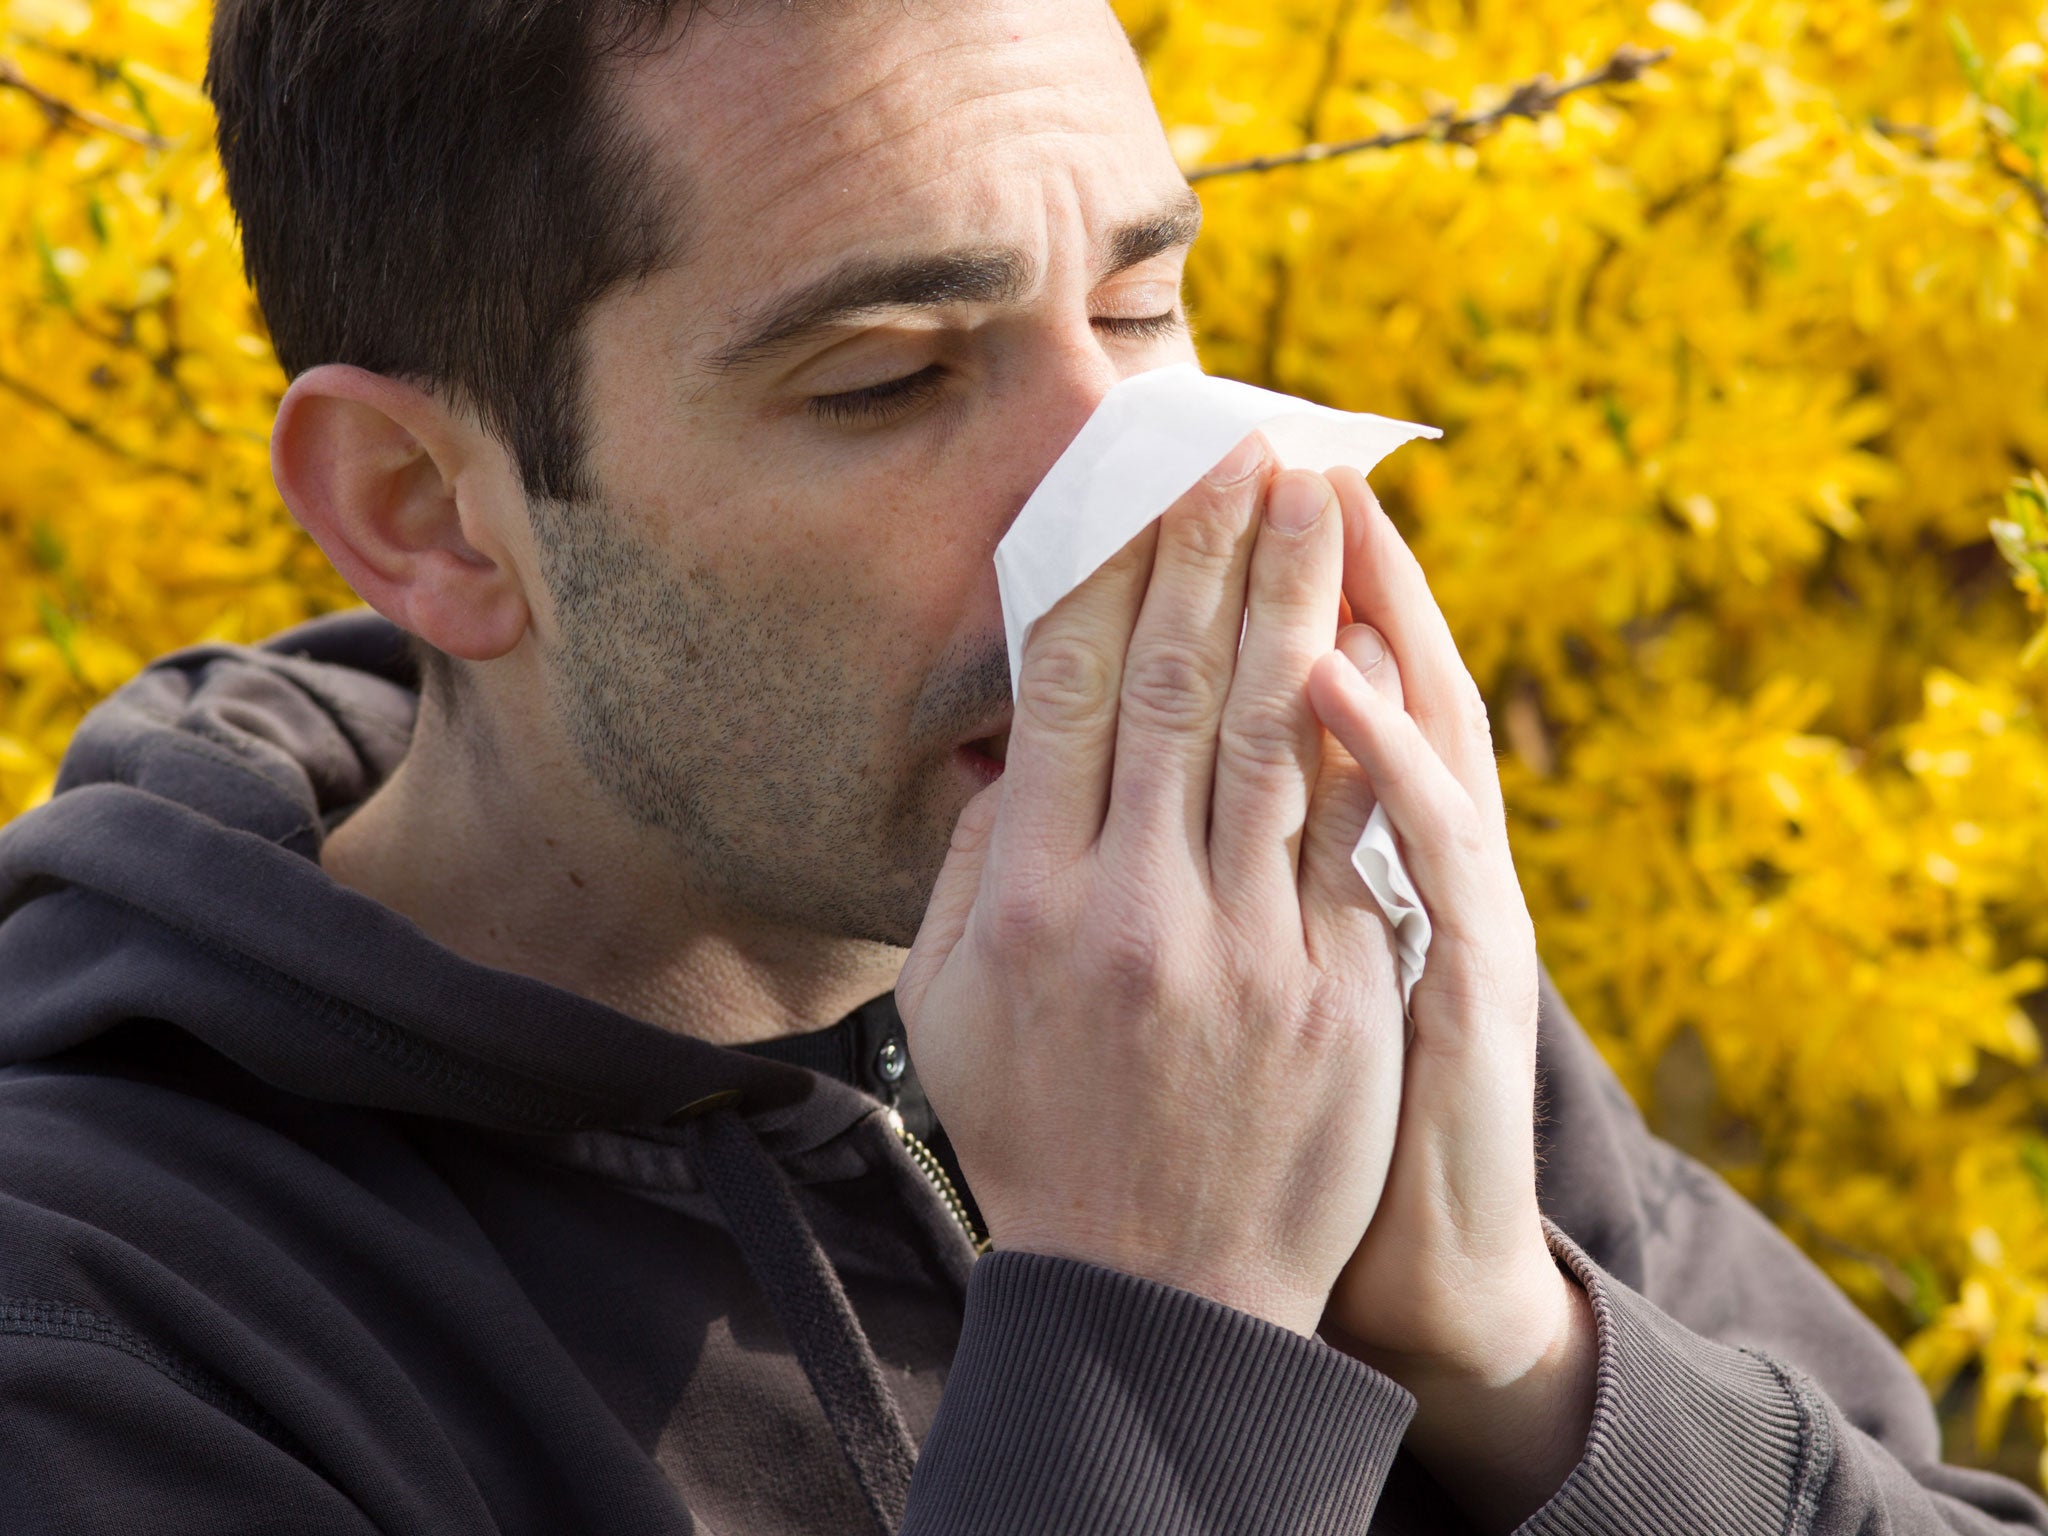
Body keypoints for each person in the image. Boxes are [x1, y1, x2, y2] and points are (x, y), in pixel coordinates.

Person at [1, 1, 2042, 1531]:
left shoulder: (1278, 959)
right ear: (429, 509)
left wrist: (1522, 1353)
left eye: (1142, 307)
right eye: (888, 377)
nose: (1144, 500)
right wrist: (1164, 1336)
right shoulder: (109, 1328)